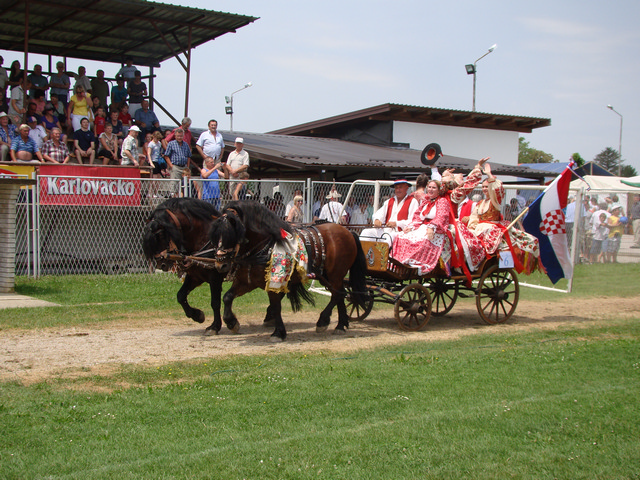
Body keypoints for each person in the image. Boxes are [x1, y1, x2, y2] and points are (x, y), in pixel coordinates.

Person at [467, 163, 541, 274]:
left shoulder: (495, 202)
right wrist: (472, 225)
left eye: (486, 187)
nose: (484, 189)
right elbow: (474, 217)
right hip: (480, 227)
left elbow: (498, 190)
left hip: (492, 228)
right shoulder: (480, 203)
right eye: (483, 187)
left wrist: (489, 176)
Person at [392, 179, 451, 275]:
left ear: (439, 190)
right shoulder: (425, 202)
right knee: (402, 236)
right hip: (422, 227)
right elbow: (417, 217)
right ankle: (400, 263)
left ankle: (417, 265)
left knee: (421, 240)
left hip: (435, 230)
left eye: (434, 188)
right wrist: (411, 227)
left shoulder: (442, 201)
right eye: (429, 187)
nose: (431, 189)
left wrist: (432, 227)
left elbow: (441, 217)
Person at [359, 179, 419, 247]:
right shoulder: (389, 201)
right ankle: (363, 255)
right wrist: (377, 220)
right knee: (366, 232)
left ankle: (382, 255)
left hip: (400, 233)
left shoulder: (412, 201)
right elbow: (379, 214)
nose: (398, 190)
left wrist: (396, 223)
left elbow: (413, 221)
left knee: (390, 236)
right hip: (385, 231)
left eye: (400, 187)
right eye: (396, 188)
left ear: (406, 188)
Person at [164, 128, 192, 195]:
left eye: (181, 136)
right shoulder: (171, 144)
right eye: (178, 136)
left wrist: (187, 167)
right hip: (175, 166)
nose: (179, 137)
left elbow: (189, 156)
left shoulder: (186, 145)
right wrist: (171, 165)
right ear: (175, 136)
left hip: (184, 167)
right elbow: (166, 156)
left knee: (185, 185)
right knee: (174, 185)